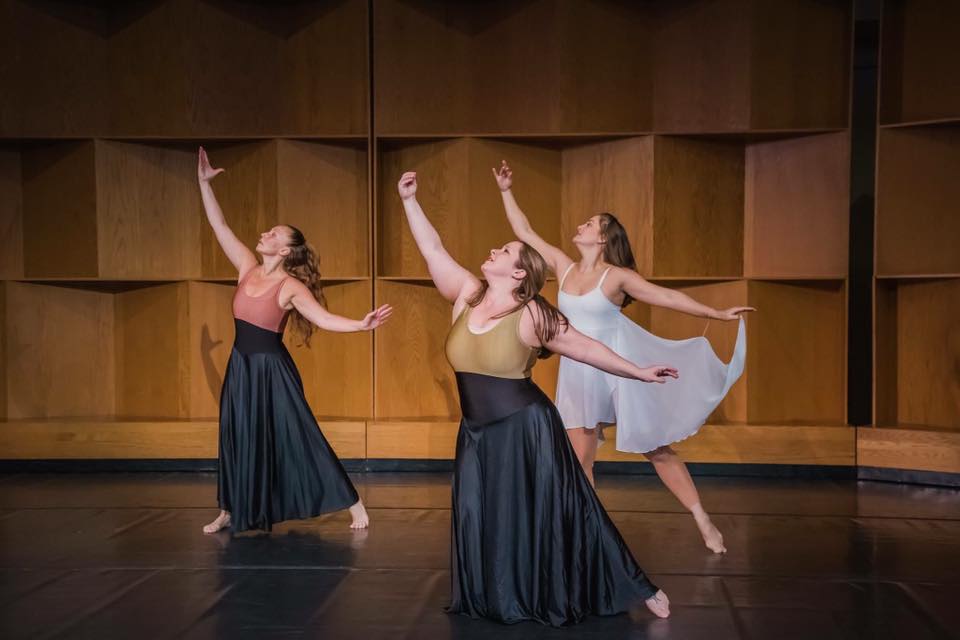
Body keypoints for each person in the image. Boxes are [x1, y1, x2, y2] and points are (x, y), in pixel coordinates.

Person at [398, 170, 677, 625]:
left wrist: (638, 372)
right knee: (483, 516)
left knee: (567, 512)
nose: (493, 250)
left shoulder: (531, 312)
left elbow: (586, 347)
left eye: (503, 250)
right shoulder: (466, 296)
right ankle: (502, 594)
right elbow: (433, 249)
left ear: (519, 271)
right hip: (476, 433)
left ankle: (634, 585)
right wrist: (410, 201)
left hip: (526, 428)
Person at [198, 147, 392, 533]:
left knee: (298, 434)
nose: (265, 233)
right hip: (241, 366)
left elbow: (322, 318)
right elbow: (219, 227)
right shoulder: (246, 267)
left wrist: (360, 324)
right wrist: (204, 184)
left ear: (284, 250)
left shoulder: (290, 286)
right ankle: (231, 509)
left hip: (273, 371)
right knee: (235, 433)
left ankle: (352, 502)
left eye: (274, 233)